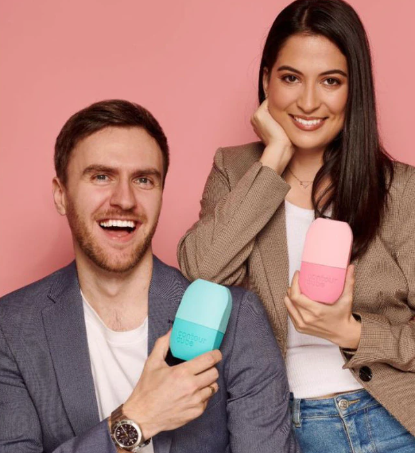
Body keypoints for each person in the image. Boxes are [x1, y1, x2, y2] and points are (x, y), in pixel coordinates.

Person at [177, 1, 415, 452]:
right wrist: (272, 159)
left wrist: (353, 332)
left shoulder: (399, 188)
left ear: (354, 88)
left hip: (398, 419)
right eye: (291, 78)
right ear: (266, 80)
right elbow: (203, 271)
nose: (309, 102)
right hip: (279, 427)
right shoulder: (236, 171)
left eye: (331, 81)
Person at [0, 99, 299, 453]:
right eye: (101, 176)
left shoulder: (238, 319)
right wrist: (138, 419)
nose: (125, 200)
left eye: (143, 180)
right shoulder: (11, 329)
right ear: (61, 195)